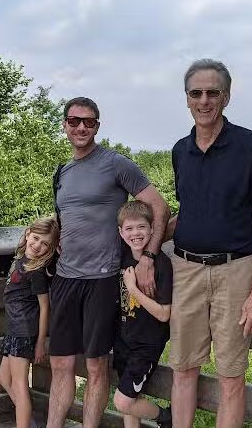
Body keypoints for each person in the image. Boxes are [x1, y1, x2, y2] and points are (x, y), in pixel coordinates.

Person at [167, 59, 252, 428]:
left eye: (212, 93)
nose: (204, 100)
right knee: (183, 368)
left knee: (231, 376)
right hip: (185, 269)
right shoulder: (180, 150)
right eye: (196, 93)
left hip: (235, 271)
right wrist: (143, 248)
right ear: (187, 98)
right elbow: (189, 211)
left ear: (226, 97)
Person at [47, 97, 170, 428]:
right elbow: (66, 219)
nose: (81, 127)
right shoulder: (62, 173)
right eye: (74, 121)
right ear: (65, 125)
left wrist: (148, 257)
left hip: (102, 280)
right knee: (60, 365)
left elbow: (159, 208)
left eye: (89, 122)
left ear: (97, 126)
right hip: (65, 278)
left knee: (96, 367)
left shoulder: (116, 164)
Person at [113, 201, 173, 428]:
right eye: (129, 229)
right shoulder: (122, 255)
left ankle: (167, 418)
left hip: (146, 345)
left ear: (152, 229)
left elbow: (164, 314)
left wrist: (133, 288)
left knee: (122, 402)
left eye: (141, 227)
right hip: (123, 340)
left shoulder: (161, 264)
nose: (135, 233)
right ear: (121, 233)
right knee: (129, 400)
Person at [0, 216, 60, 428]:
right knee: (4, 378)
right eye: (35, 238)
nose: (38, 245)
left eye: (45, 244)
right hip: (13, 329)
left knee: (19, 384)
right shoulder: (20, 260)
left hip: (23, 331)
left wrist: (40, 341)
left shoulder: (36, 272)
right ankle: (30, 421)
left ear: (50, 249)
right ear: (27, 234)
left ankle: (24, 422)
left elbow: (45, 307)